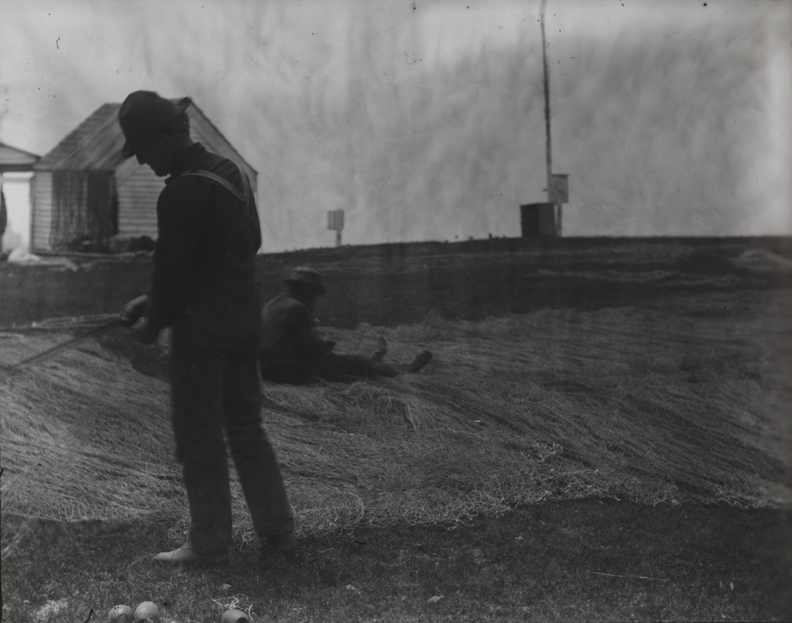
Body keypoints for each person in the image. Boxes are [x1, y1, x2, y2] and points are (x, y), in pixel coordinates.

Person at [116, 91, 294, 565]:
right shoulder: (231, 174)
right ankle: (278, 533)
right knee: (246, 429)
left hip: (202, 330)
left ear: (167, 137)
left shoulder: (178, 193)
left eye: (144, 151)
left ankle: (210, 543)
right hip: (242, 320)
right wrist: (156, 300)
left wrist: (152, 323)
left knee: (199, 434)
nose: (144, 162)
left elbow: (174, 275)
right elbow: (241, 246)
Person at [260, 267, 432, 384]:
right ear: (306, 290)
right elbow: (311, 350)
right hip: (289, 372)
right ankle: (402, 370)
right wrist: (326, 346)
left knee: (348, 361)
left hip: (270, 370)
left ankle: (373, 362)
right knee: (356, 364)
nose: (314, 298)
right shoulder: (297, 308)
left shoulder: (274, 303)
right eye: (313, 293)